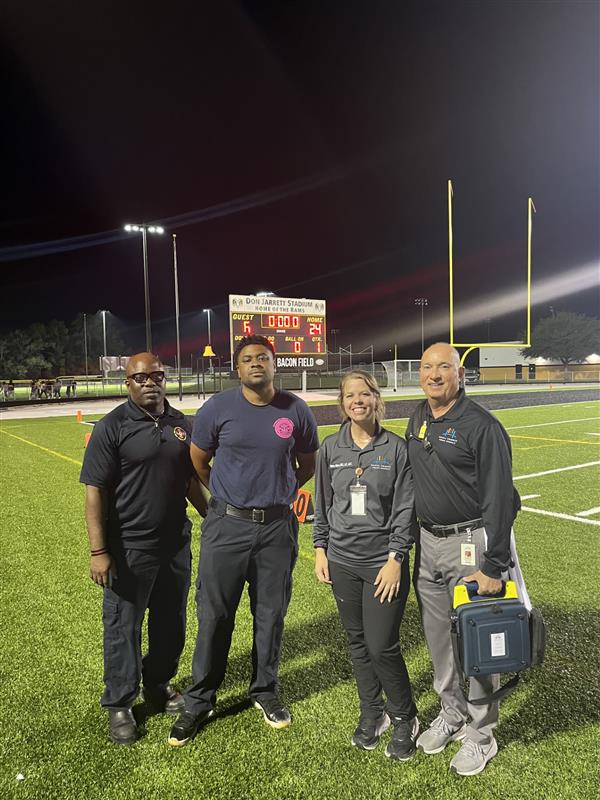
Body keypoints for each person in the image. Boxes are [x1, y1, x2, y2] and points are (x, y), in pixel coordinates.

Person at [168, 335, 319, 747]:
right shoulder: (218, 407)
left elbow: (307, 464)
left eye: (264, 358)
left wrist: (279, 493)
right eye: (248, 359)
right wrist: (226, 494)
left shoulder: (295, 410)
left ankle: (265, 690)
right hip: (227, 526)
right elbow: (198, 459)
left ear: (275, 364)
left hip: (276, 528)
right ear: (238, 368)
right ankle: (200, 699)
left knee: (270, 614)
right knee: (215, 614)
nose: (256, 364)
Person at [80, 351, 207, 745]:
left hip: (175, 544)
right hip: (129, 548)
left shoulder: (180, 424)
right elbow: (94, 492)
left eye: (156, 375)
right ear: (127, 383)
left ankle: (157, 684)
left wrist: (215, 521)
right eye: (140, 378)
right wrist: (99, 551)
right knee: (123, 628)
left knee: (171, 624)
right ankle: (119, 703)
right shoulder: (112, 427)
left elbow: (190, 484)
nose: (150, 382)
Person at [406, 343, 520, 776]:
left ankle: (480, 736)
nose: (434, 374)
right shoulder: (418, 416)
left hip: (470, 542)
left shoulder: (481, 426)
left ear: (460, 374)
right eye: (427, 367)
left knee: (476, 644)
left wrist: (495, 564)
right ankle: (451, 714)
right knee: (439, 640)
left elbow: (500, 499)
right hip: (427, 543)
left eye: (444, 368)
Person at [313, 371, 419, 760]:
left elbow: (405, 510)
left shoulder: (395, 449)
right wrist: (320, 549)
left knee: (381, 644)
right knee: (358, 644)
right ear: (342, 403)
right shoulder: (330, 449)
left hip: (382, 564)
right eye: (349, 395)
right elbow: (323, 505)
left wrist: (395, 558)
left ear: (376, 399)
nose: (357, 400)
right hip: (342, 561)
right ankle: (372, 712)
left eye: (364, 394)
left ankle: (405, 716)